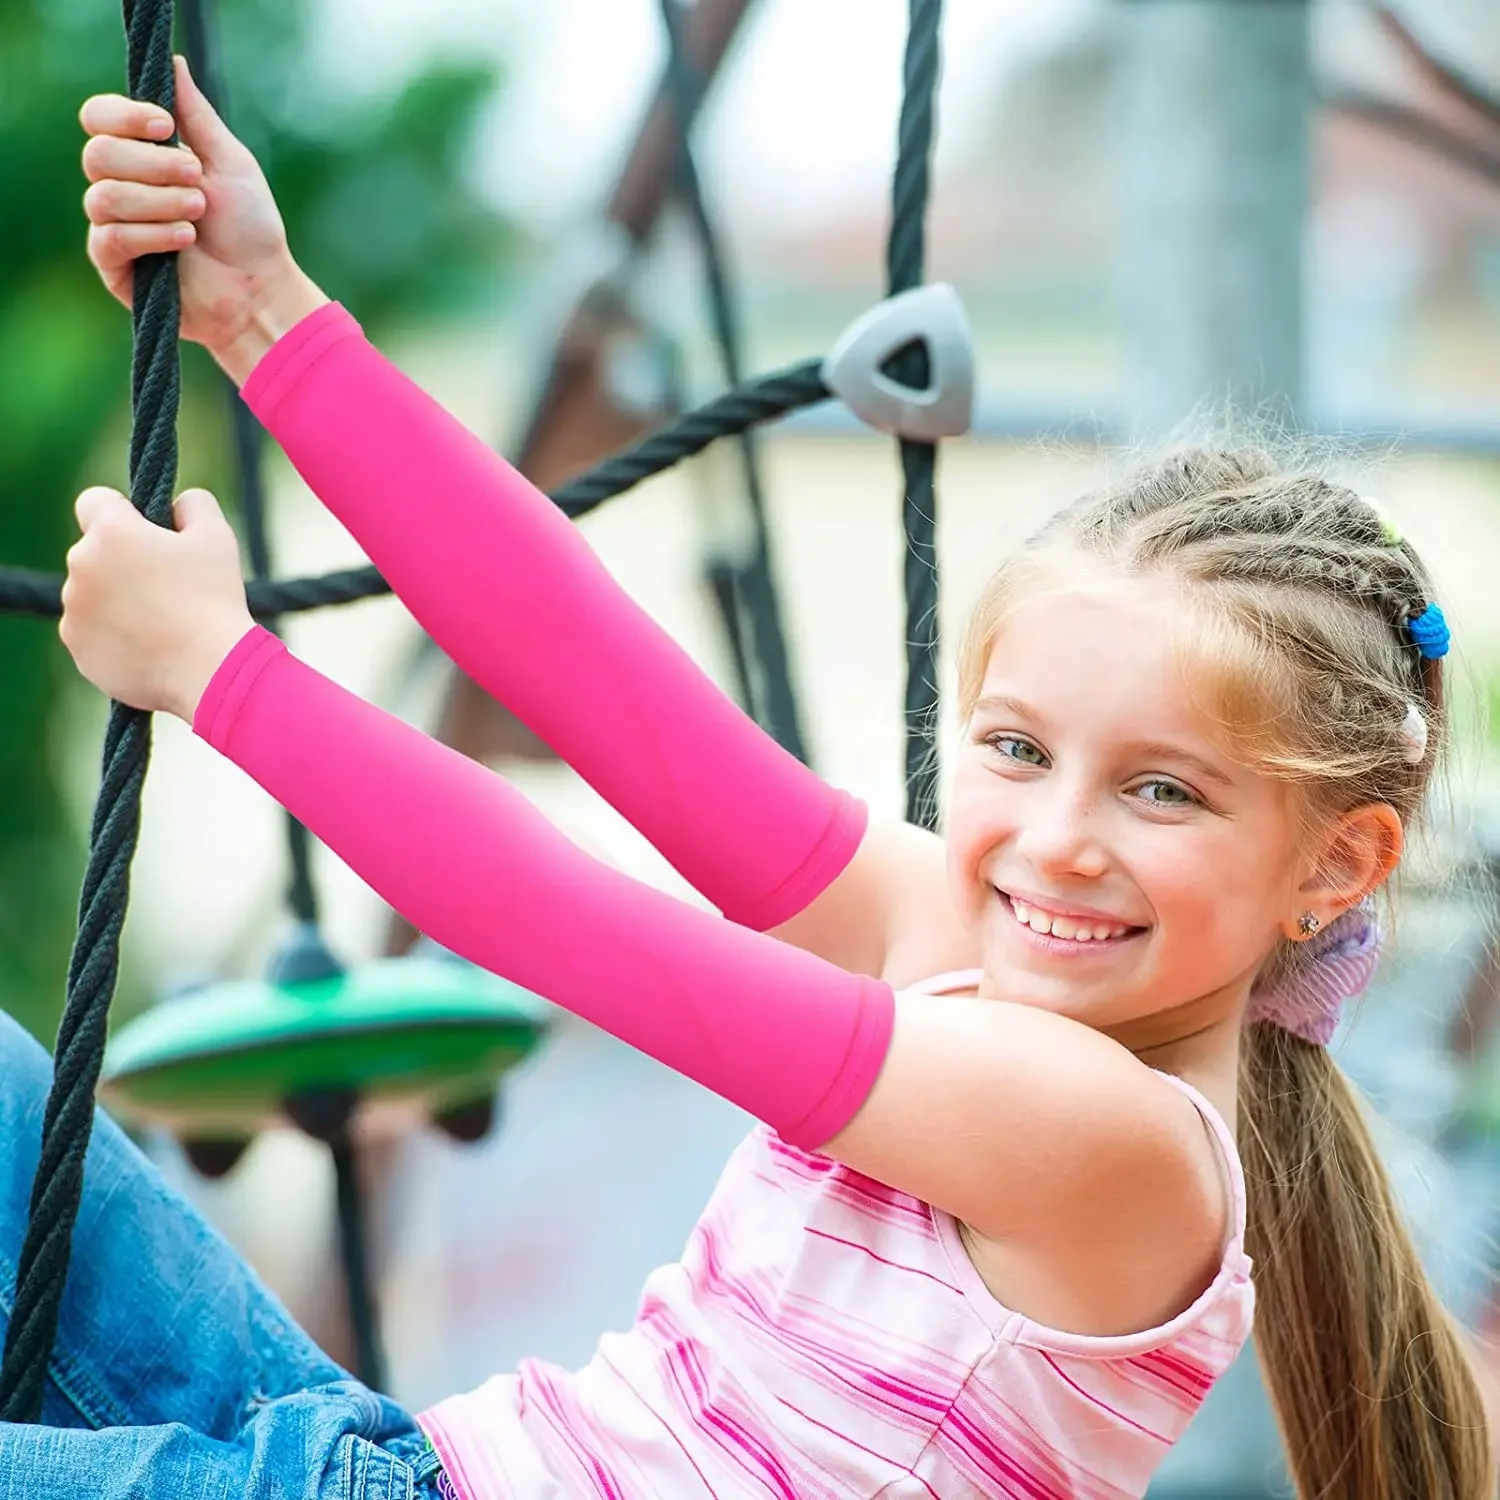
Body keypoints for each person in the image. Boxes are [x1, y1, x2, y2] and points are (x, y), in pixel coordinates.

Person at [4, 52, 1491, 1500]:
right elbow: (602, 678)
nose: (1059, 841)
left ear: (1338, 863)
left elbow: (578, 931)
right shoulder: (969, 945)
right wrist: (268, 314)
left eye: (1163, 790)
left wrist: (223, 675)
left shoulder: (1118, 1146)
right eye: (1019, 751)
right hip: (404, 1463)